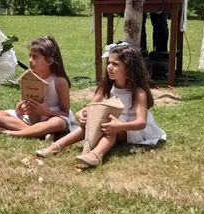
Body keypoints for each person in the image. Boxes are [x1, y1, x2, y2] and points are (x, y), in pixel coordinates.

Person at [35, 43, 166, 167]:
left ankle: (96, 155)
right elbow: (91, 107)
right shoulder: (106, 86)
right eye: (109, 63)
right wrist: (81, 114)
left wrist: (119, 126)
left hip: (133, 129)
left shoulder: (138, 92)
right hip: (114, 123)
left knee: (108, 130)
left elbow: (141, 122)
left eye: (115, 64)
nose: (109, 67)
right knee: (88, 126)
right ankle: (56, 147)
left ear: (129, 67)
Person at [0, 36, 75, 138]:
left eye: (35, 57)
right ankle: (40, 133)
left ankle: (9, 132)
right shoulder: (28, 77)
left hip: (51, 117)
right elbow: (25, 100)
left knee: (57, 123)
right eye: (30, 56)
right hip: (29, 118)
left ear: (50, 61)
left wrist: (46, 112)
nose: (30, 60)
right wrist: (19, 109)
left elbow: (65, 113)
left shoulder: (59, 82)